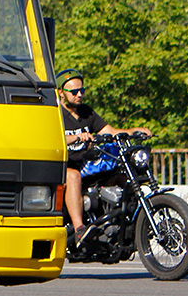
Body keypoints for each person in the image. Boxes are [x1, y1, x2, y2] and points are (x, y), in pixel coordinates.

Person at [57, 68, 150, 245]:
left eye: (82, 91)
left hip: (87, 163)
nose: (79, 95)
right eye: (74, 91)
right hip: (64, 166)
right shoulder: (55, 114)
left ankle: (134, 220)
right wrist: (76, 137)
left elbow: (112, 132)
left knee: (120, 175)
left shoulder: (87, 113)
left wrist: (134, 131)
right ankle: (79, 230)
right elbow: (52, 138)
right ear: (61, 92)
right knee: (73, 175)